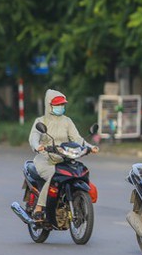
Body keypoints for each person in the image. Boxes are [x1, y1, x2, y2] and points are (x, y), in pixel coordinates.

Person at [28, 90, 99, 221]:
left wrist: (90, 147)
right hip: (45, 159)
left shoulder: (67, 121)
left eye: (62, 104)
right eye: (57, 104)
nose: (61, 107)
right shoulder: (41, 121)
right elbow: (33, 137)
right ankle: (39, 208)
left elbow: (77, 139)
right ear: (49, 105)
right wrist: (38, 146)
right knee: (54, 176)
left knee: (77, 172)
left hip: (64, 157)